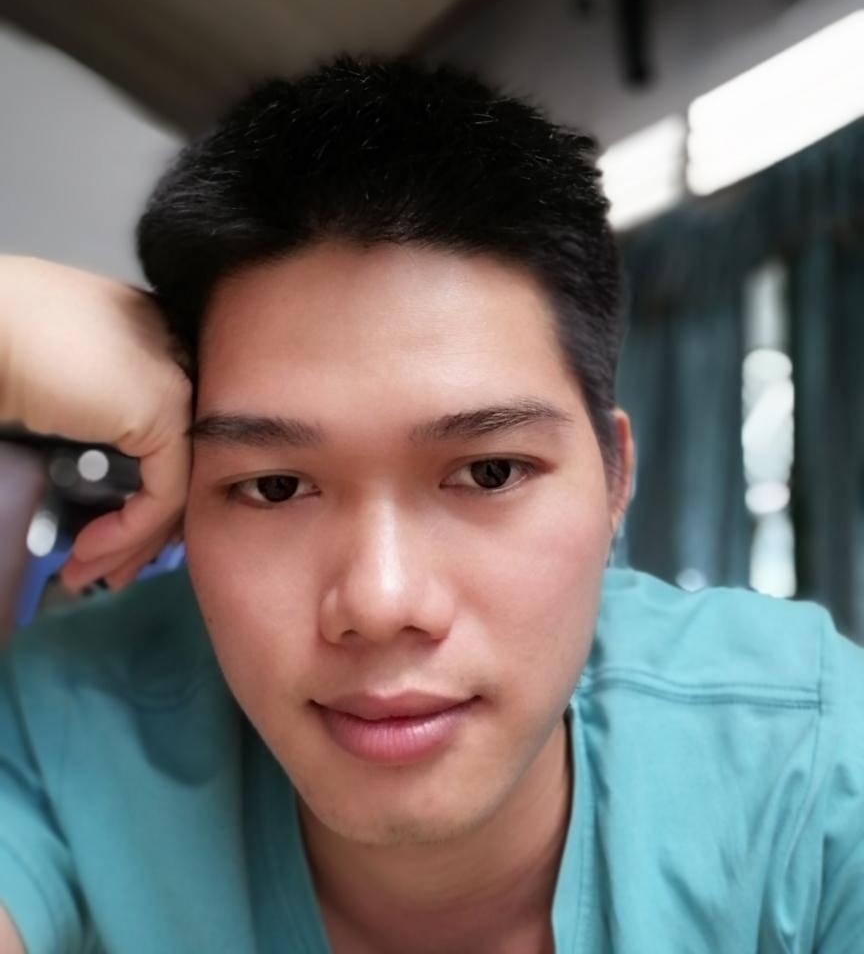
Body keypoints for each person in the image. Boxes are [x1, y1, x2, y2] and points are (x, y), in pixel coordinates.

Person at [0, 57, 862, 954]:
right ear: (184, 503)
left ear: (614, 481)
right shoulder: (73, 727)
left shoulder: (806, 764)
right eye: (276, 486)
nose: (380, 603)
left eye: (488, 473)